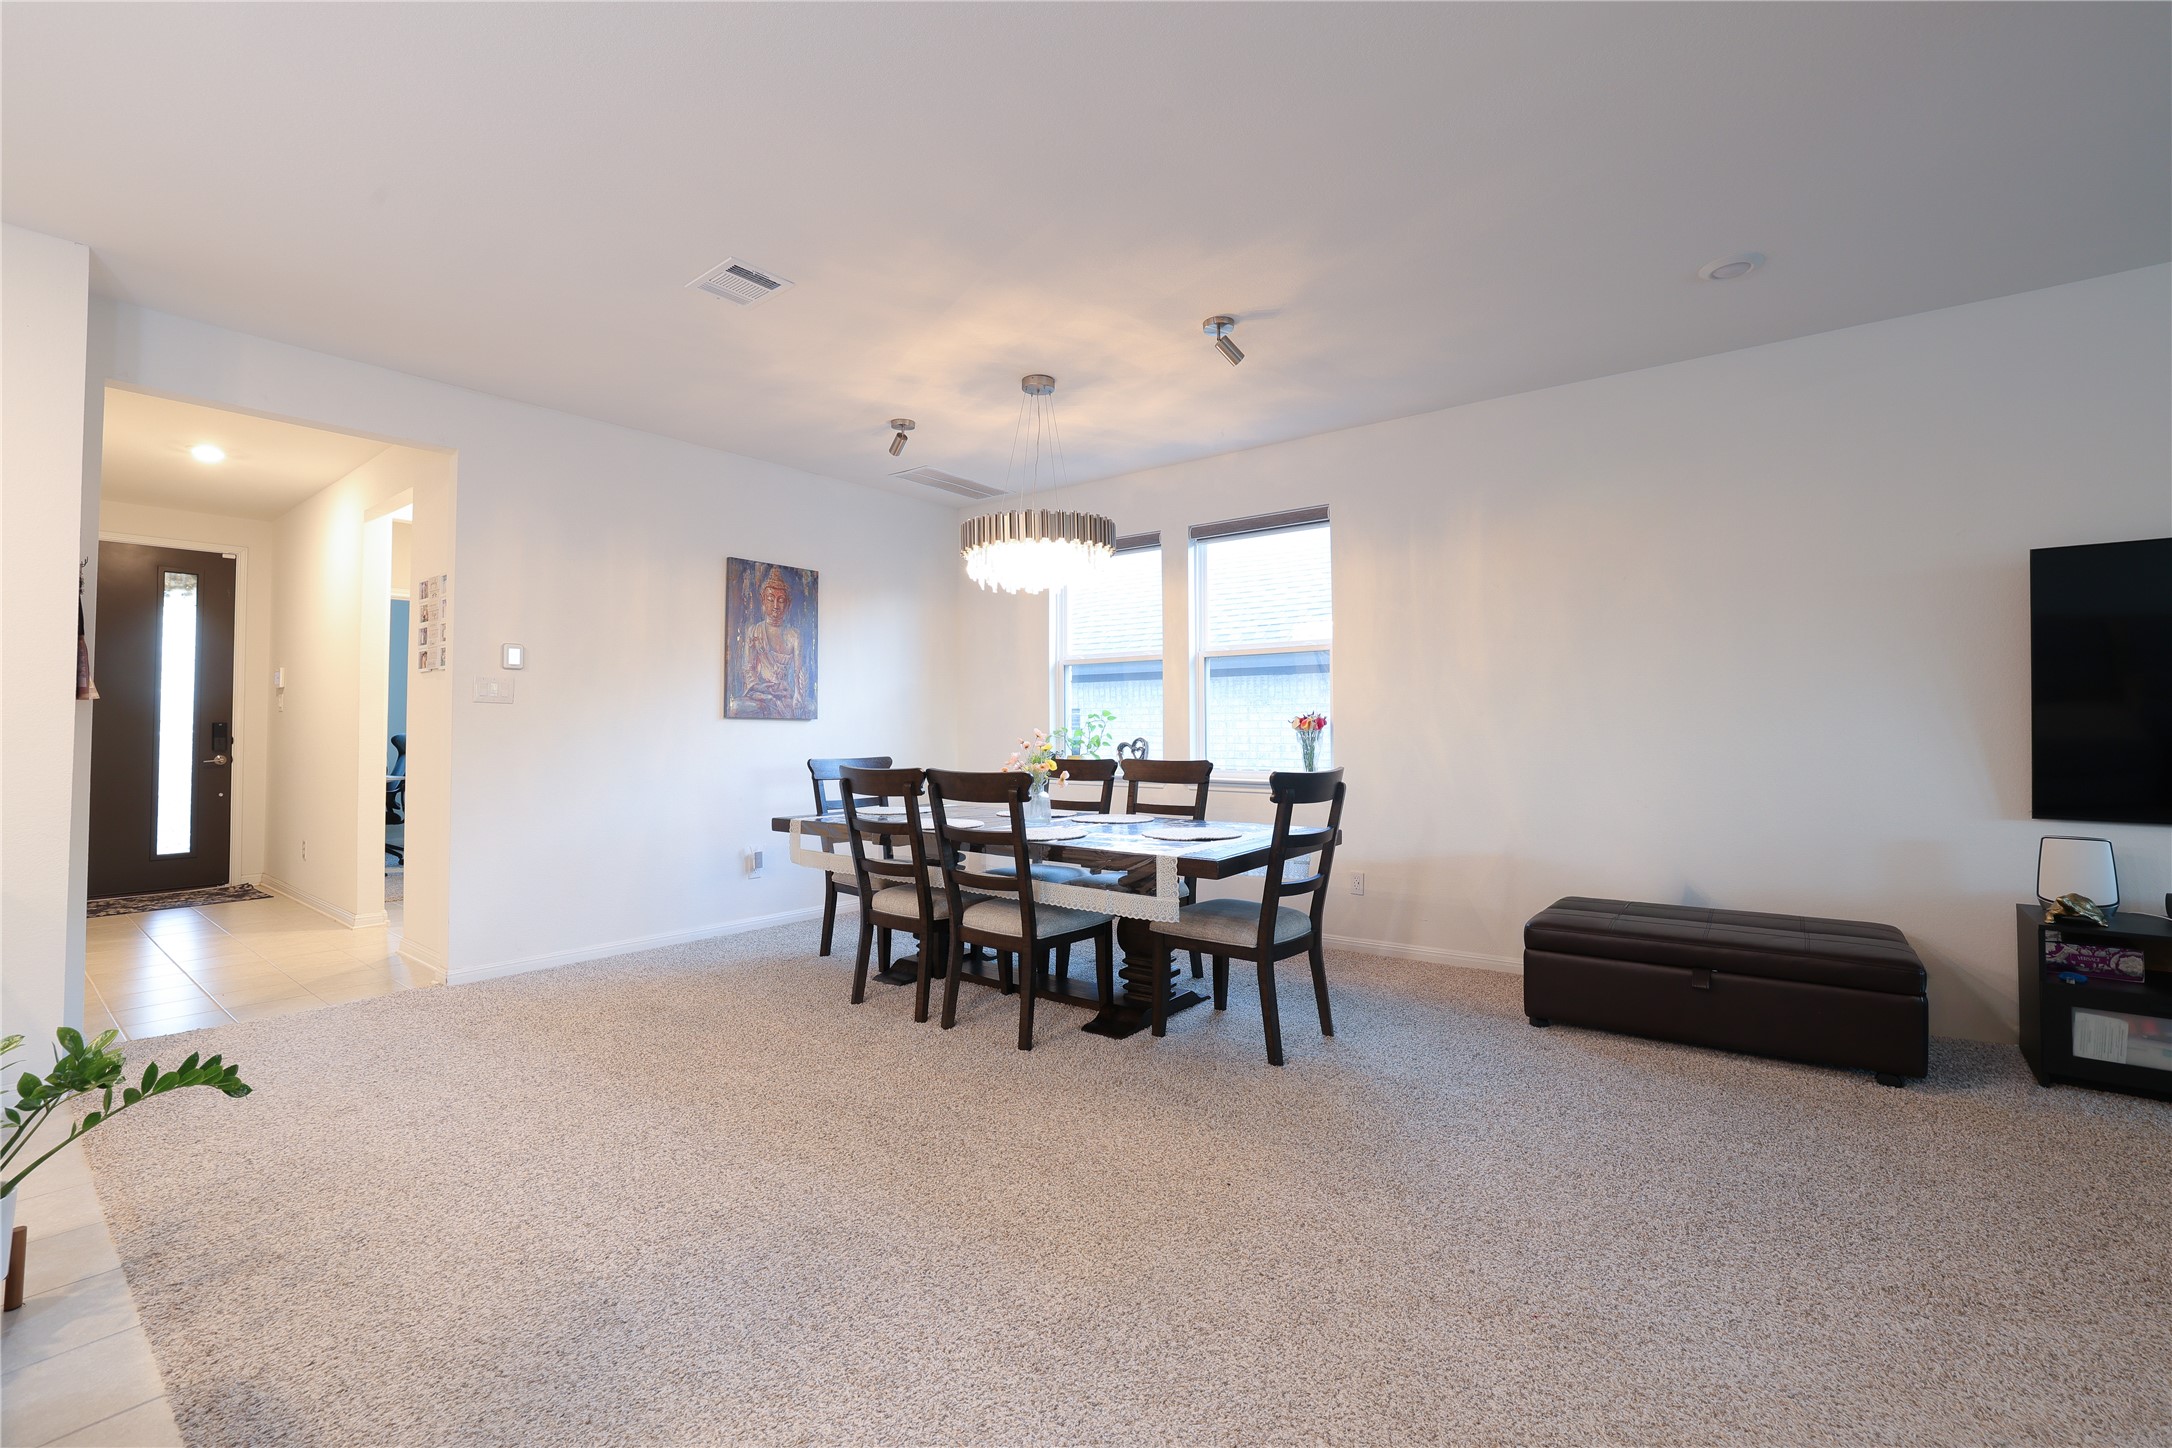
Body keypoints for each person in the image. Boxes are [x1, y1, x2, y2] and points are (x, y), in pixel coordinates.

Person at [738, 566, 806, 715]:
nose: (775, 606)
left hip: (785, 693)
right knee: (737, 707)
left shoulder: (794, 635)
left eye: (781, 600)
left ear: (788, 603)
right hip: (760, 693)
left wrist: (798, 693)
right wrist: (763, 688)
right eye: (770, 599)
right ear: (763, 600)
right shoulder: (754, 631)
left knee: (803, 707)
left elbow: (798, 672)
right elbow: (748, 669)